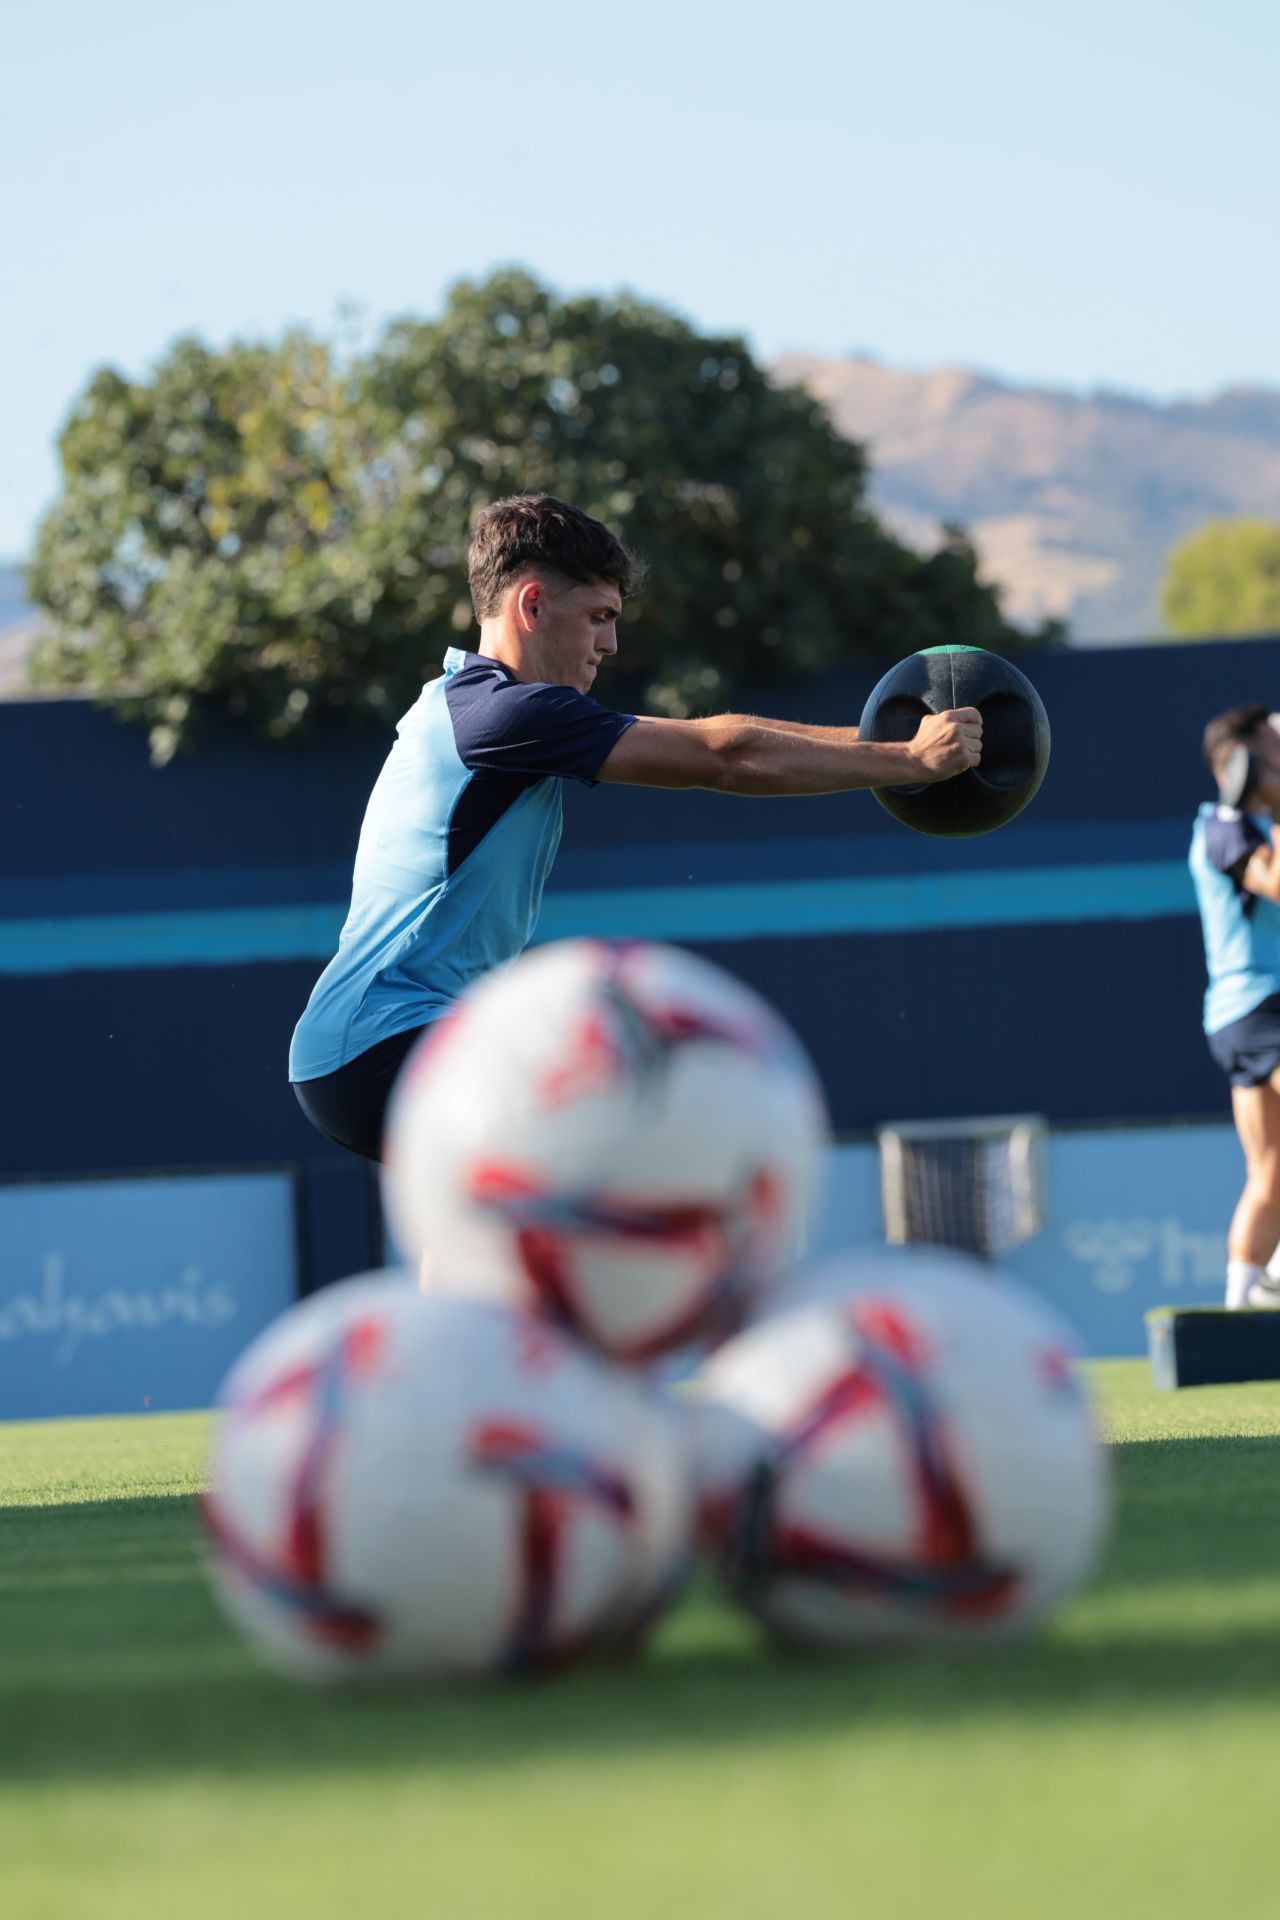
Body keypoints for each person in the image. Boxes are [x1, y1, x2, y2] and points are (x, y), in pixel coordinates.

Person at [290, 494, 982, 1161]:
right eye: (598, 615)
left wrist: (886, 746)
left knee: (502, 1225)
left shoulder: (462, 705)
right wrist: (909, 758)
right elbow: (724, 756)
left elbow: (727, 745)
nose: (611, 642)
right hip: (387, 1043)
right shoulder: (509, 717)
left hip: (364, 1050)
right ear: (532, 604)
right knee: (637, 1137)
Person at [1191, 705, 1280, 1308]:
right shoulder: (1226, 823)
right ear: (1247, 759)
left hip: (1243, 1015)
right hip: (1258, 1009)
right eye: (1275, 748)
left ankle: (1242, 1300)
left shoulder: (1250, 822)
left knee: (1270, 1168)